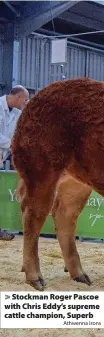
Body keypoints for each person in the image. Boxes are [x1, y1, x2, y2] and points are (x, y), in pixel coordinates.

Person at [0, 85, 29, 241]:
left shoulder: (17, 113)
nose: (25, 102)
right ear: (17, 96)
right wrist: (12, 144)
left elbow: (18, 134)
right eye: (25, 99)